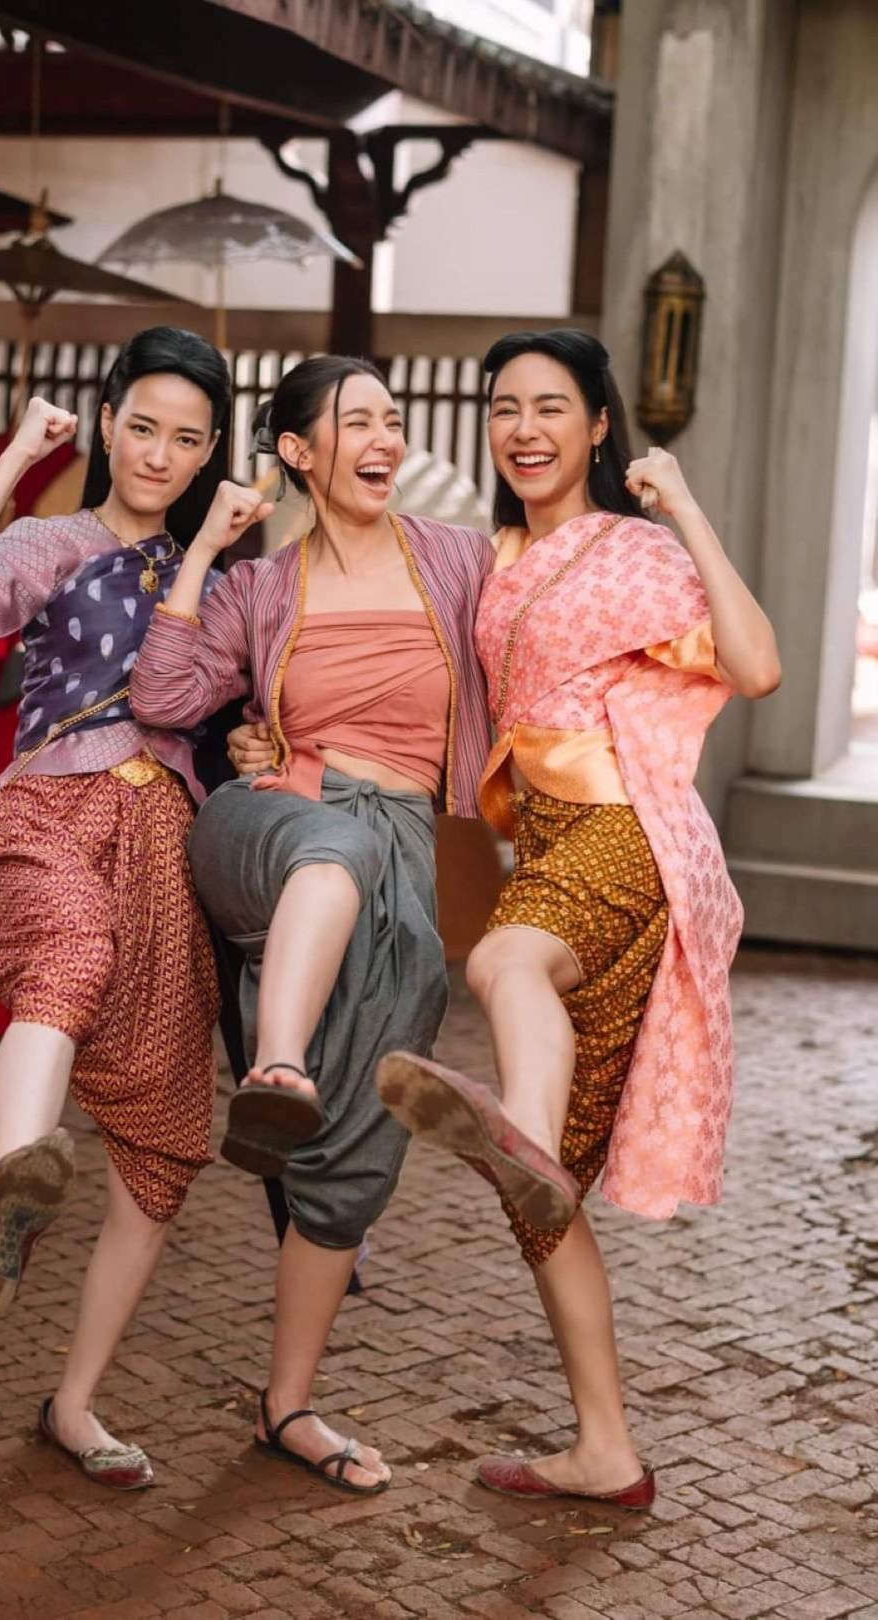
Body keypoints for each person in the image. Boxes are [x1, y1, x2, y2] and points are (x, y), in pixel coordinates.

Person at [377, 329, 781, 1510]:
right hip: (548, 842)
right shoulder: (485, 557)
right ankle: (607, 1450)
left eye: (552, 406)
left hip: (626, 833)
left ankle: (521, 1139)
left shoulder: (636, 549)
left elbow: (756, 667)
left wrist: (685, 506)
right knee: (546, 1206)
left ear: (599, 426)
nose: (525, 429)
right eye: (505, 407)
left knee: (504, 961)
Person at [130, 356, 493, 1494]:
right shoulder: (258, 586)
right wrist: (203, 552)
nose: (385, 438)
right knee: (331, 851)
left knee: (355, 1151)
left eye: (394, 419)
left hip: (400, 856)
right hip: (268, 824)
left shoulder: (458, 562)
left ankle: (286, 1408)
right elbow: (165, 699)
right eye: (357, 421)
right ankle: (275, 1065)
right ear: (297, 451)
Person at [0, 326, 243, 1488]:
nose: (158, 454)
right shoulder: (53, 541)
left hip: (167, 850)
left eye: (186, 438)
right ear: (105, 423)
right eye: (141, 426)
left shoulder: (218, 575)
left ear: (208, 451)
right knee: (66, 964)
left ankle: (76, 1404)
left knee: (160, 1155)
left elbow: (231, 709)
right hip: (53, 811)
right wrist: (12, 461)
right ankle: (12, 1192)